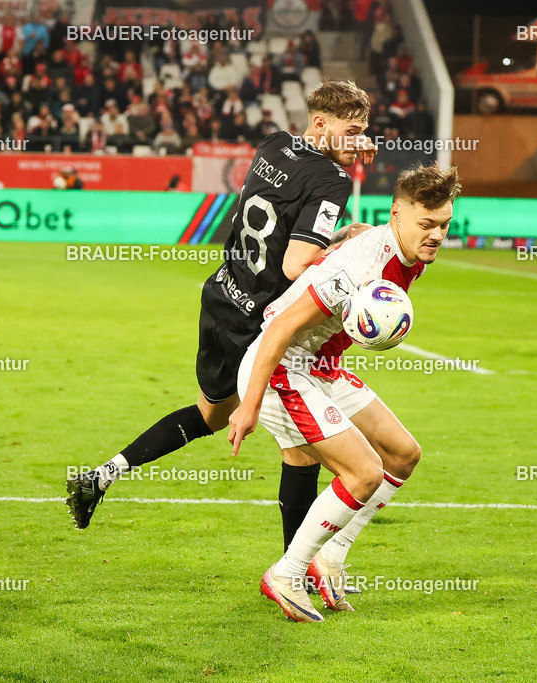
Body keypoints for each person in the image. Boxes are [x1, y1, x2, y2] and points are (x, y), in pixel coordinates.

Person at [66, 81, 378, 538]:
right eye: (352, 131)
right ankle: (292, 569)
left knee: (209, 415)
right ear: (319, 123)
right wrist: (347, 250)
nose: (360, 140)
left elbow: (281, 224)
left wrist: (338, 220)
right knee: (301, 450)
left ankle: (102, 475)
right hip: (260, 324)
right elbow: (295, 265)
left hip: (222, 298)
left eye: (363, 132)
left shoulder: (273, 144)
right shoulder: (332, 181)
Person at [227, 164, 461, 621]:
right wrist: (248, 407)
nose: (436, 235)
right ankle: (286, 574)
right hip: (281, 368)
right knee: (363, 473)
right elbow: (280, 329)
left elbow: (367, 239)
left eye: (444, 224)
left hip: (321, 366)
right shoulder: (360, 268)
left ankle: (330, 556)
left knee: (402, 454)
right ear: (397, 214)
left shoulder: (406, 250)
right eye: (427, 224)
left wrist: (352, 235)